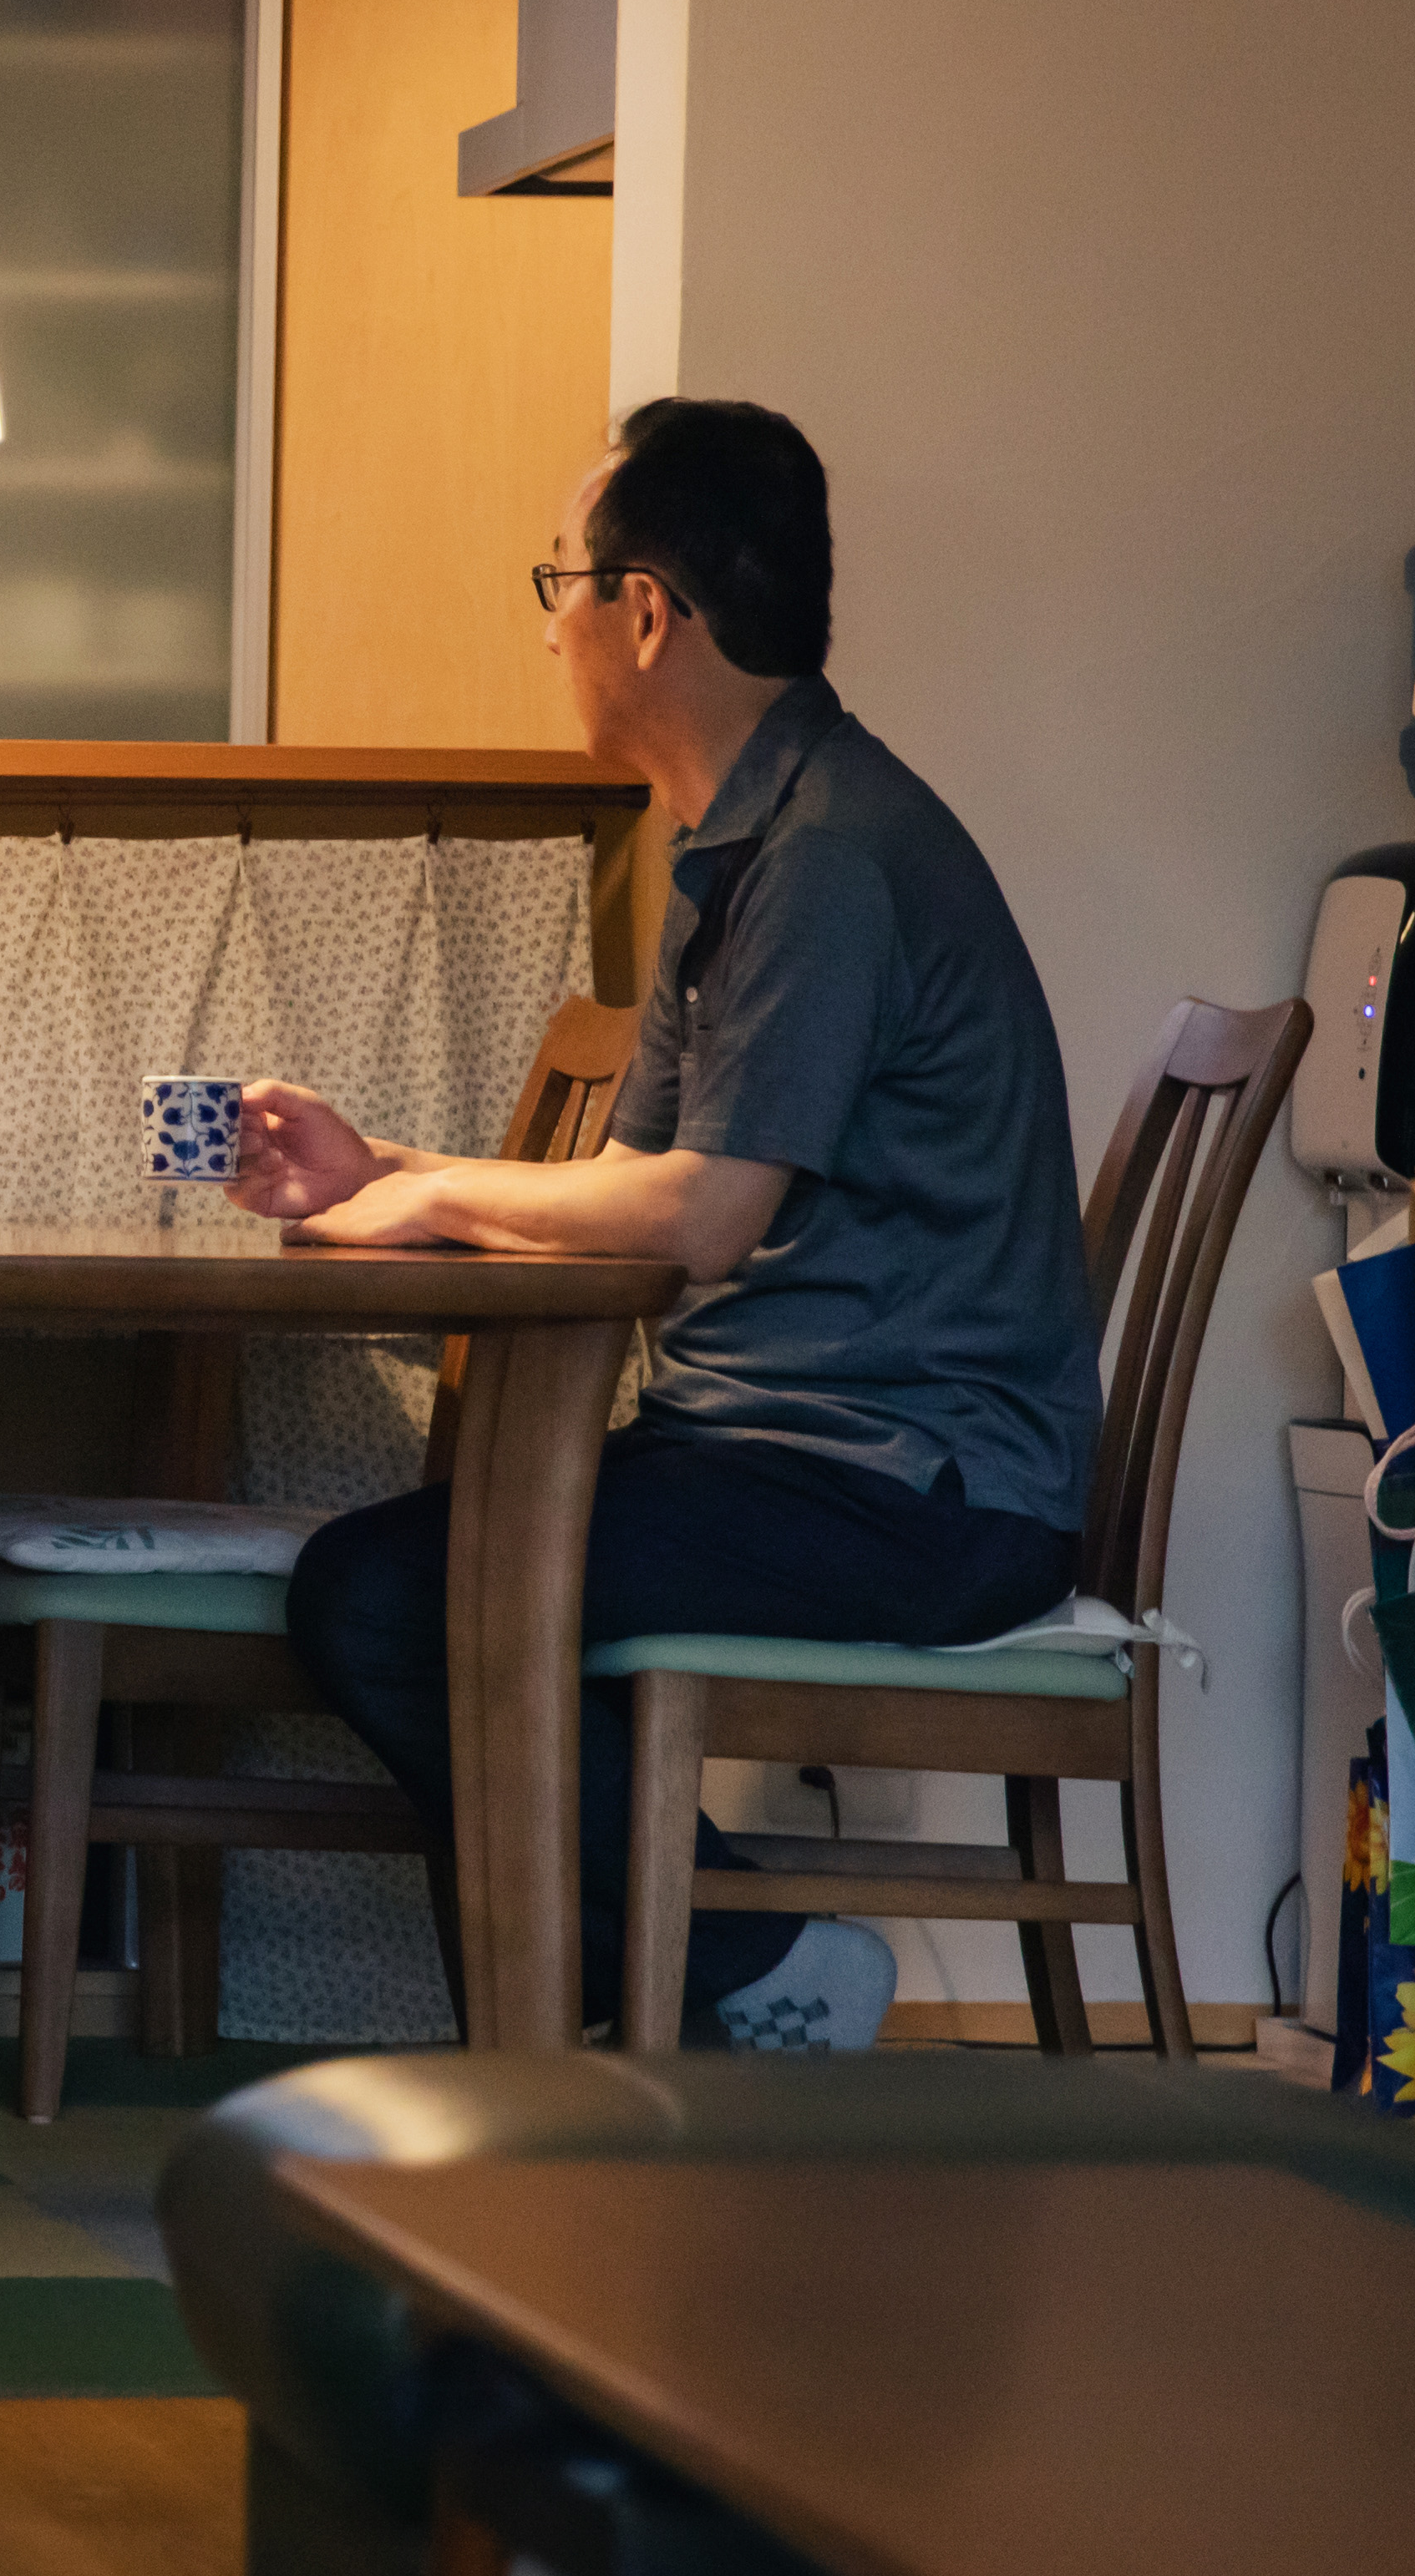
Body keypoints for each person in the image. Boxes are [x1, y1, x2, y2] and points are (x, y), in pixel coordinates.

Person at [241, 397, 1096, 2053]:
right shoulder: (740, 844)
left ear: (646, 609)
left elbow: (700, 1219)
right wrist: (382, 1168)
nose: (551, 621)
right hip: (793, 1449)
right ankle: (660, 2014)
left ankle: (744, 1976)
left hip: (912, 1480)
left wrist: (425, 1197)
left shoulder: (831, 855)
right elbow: (625, 1193)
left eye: (561, 579)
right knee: (396, 1579)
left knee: (396, 1594)